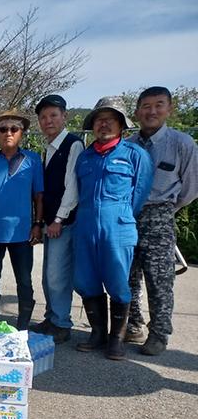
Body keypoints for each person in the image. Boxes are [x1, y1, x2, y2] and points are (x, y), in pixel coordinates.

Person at [74, 96, 153, 360]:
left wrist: (118, 216)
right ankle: (97, 333)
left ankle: (116, 339)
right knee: (85, 280)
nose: (104, 124)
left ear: (121, 125)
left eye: (110, 119)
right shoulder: (85, 157)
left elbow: (139, 193)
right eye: (99, 120)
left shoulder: (135, 155)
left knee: (118, 282)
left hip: (117, 225)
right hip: (84, 225)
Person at [126, 86, 198, 355]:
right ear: (137, 112)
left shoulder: (182, 143)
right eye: (146, 106)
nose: (152, 111)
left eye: (158, 105)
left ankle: (159, 333)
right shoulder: (129, 145)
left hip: (160, 214)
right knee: (127, 275)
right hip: (128, 215)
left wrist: (168, 208)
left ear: (169, 109)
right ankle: (133, 324)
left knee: (159, 278)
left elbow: (191, 187)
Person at [0, 109, 44, 330]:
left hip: (22, 232)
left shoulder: (32, 160)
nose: (8, 133)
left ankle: (23, 325)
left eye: (14, 129)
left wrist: (37, 224)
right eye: (3, 129)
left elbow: (39, 197)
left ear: (22, 133)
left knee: (24, 280)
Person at [29, 95, 85, 344]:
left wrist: (59, 219)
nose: (48, 120)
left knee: (57, 275)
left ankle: (62, 323)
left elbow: (72, 187)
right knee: (48, 274)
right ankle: (52, 317)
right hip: (51, 221)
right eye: (43, 117)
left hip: (64, 221)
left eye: (53, 115)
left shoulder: (73, 144)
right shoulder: (49, 148)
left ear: (65, 116)